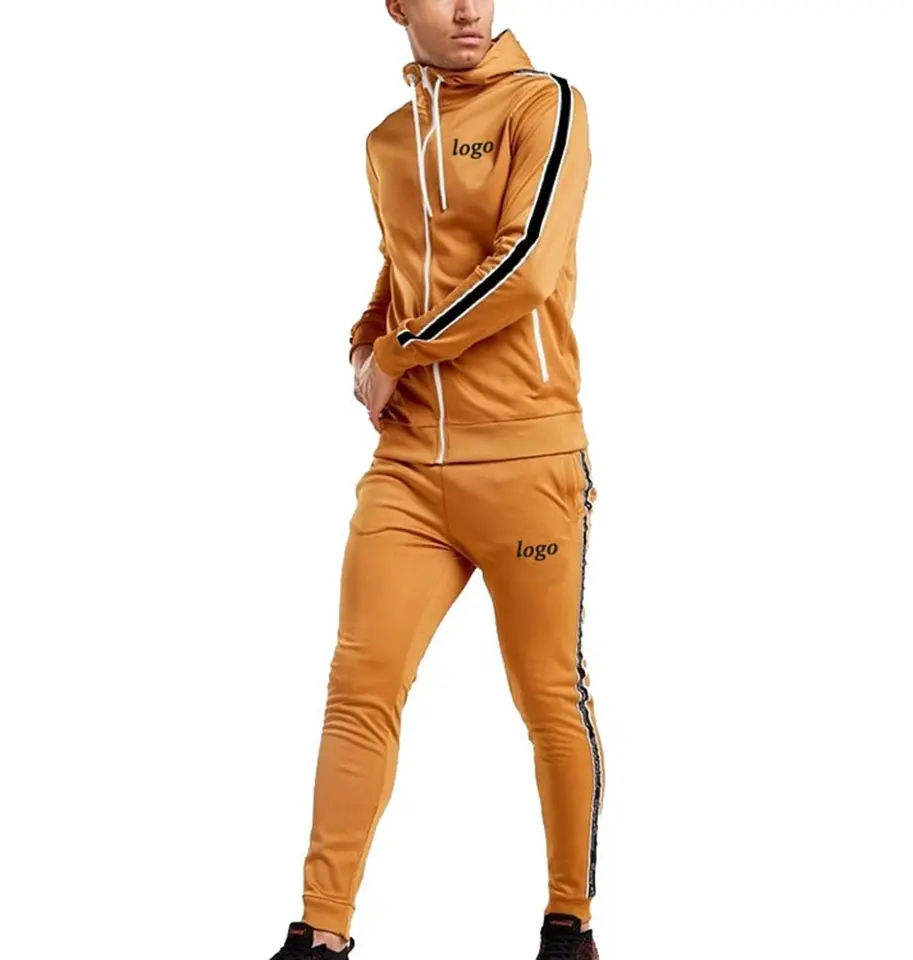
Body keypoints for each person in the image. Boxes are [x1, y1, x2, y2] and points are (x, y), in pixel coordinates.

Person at [269, 2, 603, 957]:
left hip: (528, 461)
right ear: (395, 6)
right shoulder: (388, 141)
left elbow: (525, 269)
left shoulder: (545, 105)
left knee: (548, 695)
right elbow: (401, 270)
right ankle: (320, 934)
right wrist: (363, 344)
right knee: (359, 687)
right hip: (411, 468)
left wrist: (399, 352)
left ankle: (569, 921)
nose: (467, 8)